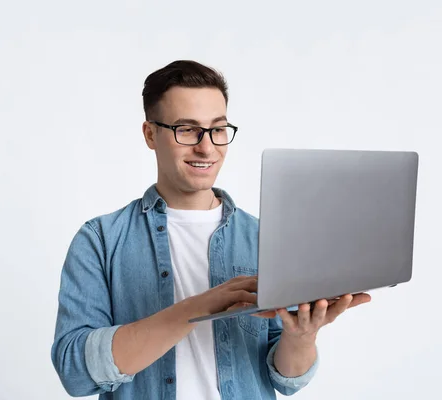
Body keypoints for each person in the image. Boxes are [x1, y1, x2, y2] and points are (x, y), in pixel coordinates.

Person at [51, 60, 371, 400]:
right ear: (150, 134)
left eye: (217, 129)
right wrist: (196, 308)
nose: (206, 147)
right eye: (187, 129)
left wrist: (302, 336)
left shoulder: (267, 239)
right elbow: (75, 372)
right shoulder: (101, 240)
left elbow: (286, 379)